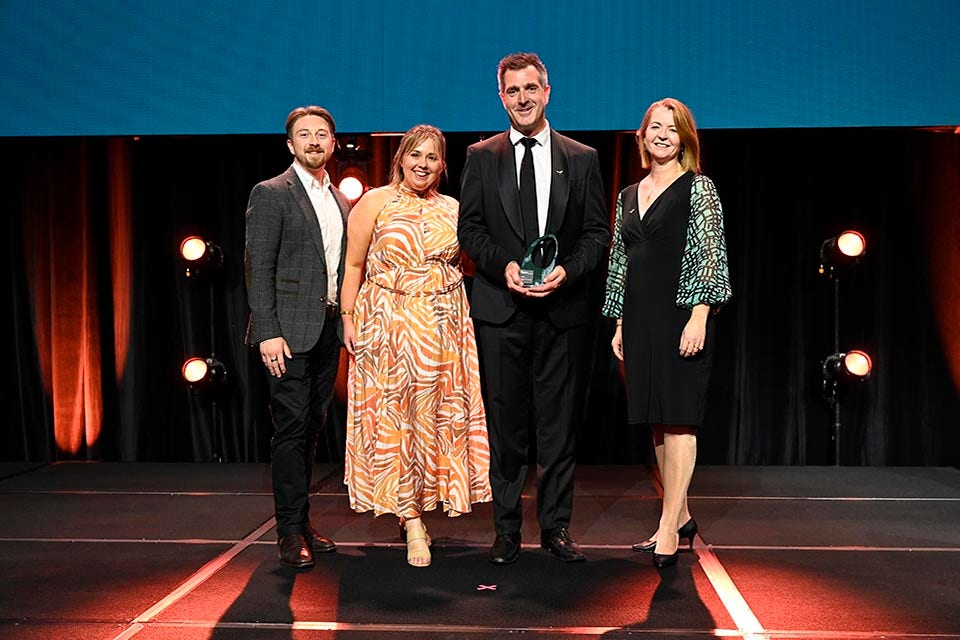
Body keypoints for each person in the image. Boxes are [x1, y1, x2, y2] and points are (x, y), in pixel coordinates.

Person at [458, 52, 609, 565]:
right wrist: (503, 267)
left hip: (563, 312)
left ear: (547, 91)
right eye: (512, 91)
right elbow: (471, 231)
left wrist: (568, 270)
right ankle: (505, 530)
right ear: (501, 97)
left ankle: (556, 527)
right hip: (501, 310)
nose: (522, 98)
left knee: (559, 425)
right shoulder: (482, 156)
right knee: (506, 425)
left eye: (531, 88)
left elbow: (596, 233)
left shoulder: (582, 157)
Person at [340, 124, 492, 568]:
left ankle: (427, 507)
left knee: (437, 418)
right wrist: (347, 319)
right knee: (397, 421)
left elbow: (467, 264)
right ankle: (411, 522)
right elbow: (353, 265)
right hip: (388, 325)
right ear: (401, 158)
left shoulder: (452, 208)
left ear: (442, 166)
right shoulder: (374, 202)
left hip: (444, 327)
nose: (423, 164)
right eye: (415, 155)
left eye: (432, 157)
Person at [602, 98, 732, 568]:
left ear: (684, 139)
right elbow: (619, 261)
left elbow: (709, 254)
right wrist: (618, 320)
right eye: (654, 127)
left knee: (680, 420)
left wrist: (700, 315)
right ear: (642, 136)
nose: (661, 135)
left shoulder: (699, 188)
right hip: (639, 320)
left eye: (671, 129)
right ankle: (681, 516)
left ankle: (667, 527)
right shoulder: (627, 195)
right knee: (657, 421)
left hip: (681, 316)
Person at [244, 106, 350, 568]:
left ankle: (302, 520)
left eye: (321, 134)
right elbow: (257, 266)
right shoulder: (271, 193)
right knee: (289, 430)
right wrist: (267, 331)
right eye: (303, 135)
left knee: (311, 429)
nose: (313, 141)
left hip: (327, 329)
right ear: (290, 145)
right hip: (286, 333)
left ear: (332, 143)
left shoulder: (342, 200)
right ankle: (288, 532)